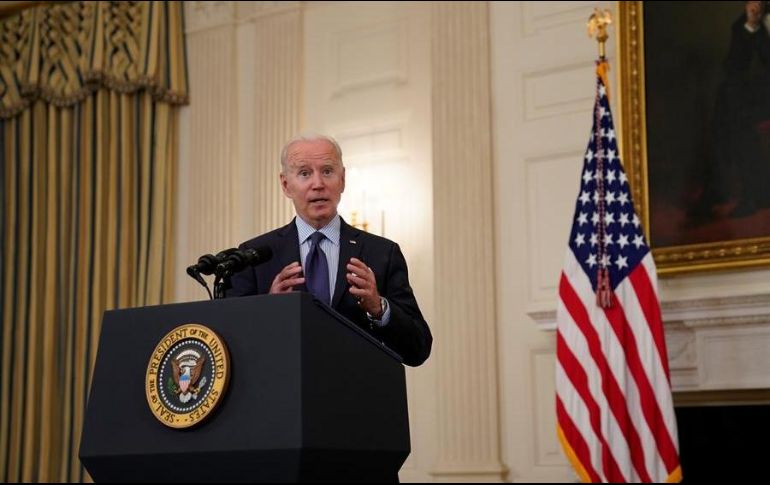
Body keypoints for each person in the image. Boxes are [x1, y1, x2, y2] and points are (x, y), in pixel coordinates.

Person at [226, 133, 432, 367]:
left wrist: (379, 308)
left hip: (356, 397)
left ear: (342, 179)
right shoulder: (254, 256)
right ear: (285, 185)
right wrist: (269, 311)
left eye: (327, 171)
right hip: (284, 398)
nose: (318, 184)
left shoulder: (382, 253)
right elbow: (233, 350)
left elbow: (418, 348)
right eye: (304, 173)